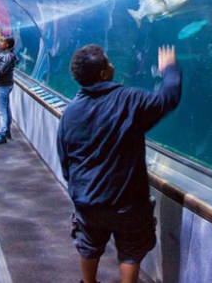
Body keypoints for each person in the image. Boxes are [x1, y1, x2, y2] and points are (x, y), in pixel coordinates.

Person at [57, 44, 181, 283]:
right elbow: (167, 98)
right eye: (108, 61)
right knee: (131, 250)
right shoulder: (129, 100)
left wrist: (80, 189)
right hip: (127, 202)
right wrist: (170, 69)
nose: (112, 64)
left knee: (89, 243)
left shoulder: (70, 113)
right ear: (103, 73)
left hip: (87, 200)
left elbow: (65, 160)